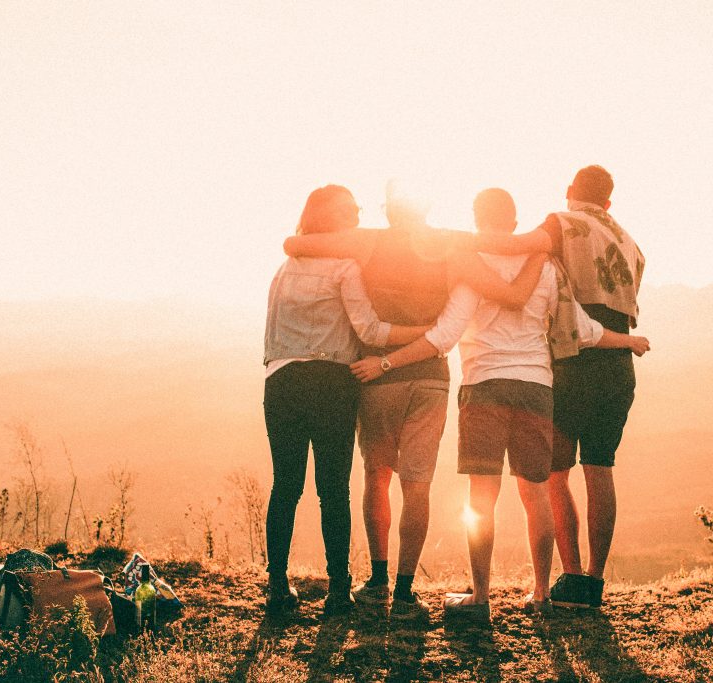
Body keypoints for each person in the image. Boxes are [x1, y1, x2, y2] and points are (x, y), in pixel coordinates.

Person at [350, 188, 649, 620]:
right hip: (536, 389)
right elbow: (583, 330)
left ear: (476, 218)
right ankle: (542, 594)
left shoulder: (472, 266)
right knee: (536, 495)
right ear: (514, 223)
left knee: (481, 499)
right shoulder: (546, 267)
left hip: (484, 386)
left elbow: (445, 336)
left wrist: (386, 362)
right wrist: (630, 341)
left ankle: (481, 597)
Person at [283, 181, 544, 620]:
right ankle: (405, 591)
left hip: (377, 375)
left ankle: (378, 579)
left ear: (389, 211)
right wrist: (540, 249)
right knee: (417, 484)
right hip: (430, 378)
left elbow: (295, 243)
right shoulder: (451, 246)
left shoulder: (367, 243)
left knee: (377, 475)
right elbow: (510, 291)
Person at [472, 166, 646, 608]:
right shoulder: (630, 243)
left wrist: (454, 245)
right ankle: (594, 580)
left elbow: (513, 245)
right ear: (609, 202)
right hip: (618, 363)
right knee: (601, 468)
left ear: (570, 192)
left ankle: (567, 578)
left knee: (555, 472)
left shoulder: (561, 223)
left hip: (572, 360)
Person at [262, 185, 430, 617]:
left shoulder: (284, 268)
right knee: (332, 489)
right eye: (349, 210)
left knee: (286, 486)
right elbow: (371, 332)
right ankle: (338, 590)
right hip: (332, 382)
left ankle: (277, 587)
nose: (357, 215)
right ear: (332, 219)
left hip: (281, 380)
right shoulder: (345, 266)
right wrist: (424, 334)